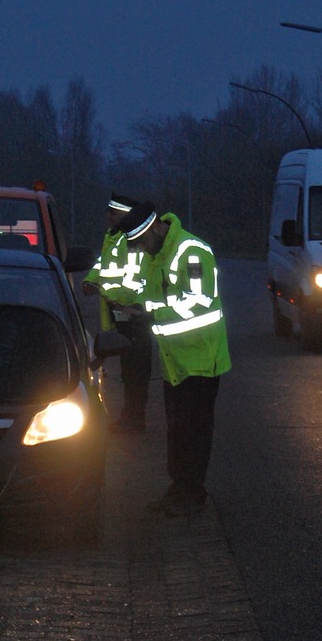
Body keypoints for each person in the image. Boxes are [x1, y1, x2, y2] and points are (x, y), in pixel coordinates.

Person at [117, 202, 230, 516]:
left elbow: (197, 303)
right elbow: (158, 295)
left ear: (154, 229)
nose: (140, 249)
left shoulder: (191, 251)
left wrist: (150, 313)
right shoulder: (158, 253)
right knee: (178, 430)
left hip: (200, 360)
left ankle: (191, 493)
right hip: (176, 360)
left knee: (193, 431)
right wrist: (137, 306)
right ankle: (180, 489)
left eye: (140, 242)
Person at [83, 193, 153, 432]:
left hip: (135, 316)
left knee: (136, 372)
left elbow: (144, 278)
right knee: (129, 371)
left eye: (113, 212)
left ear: (125, 215)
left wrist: (133, 307)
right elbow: (103, 264)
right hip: (121, 315)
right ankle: (131, 416)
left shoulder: (133, 240)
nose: (108, 216)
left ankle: (134, 419)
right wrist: (91, 281)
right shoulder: (113, 237)